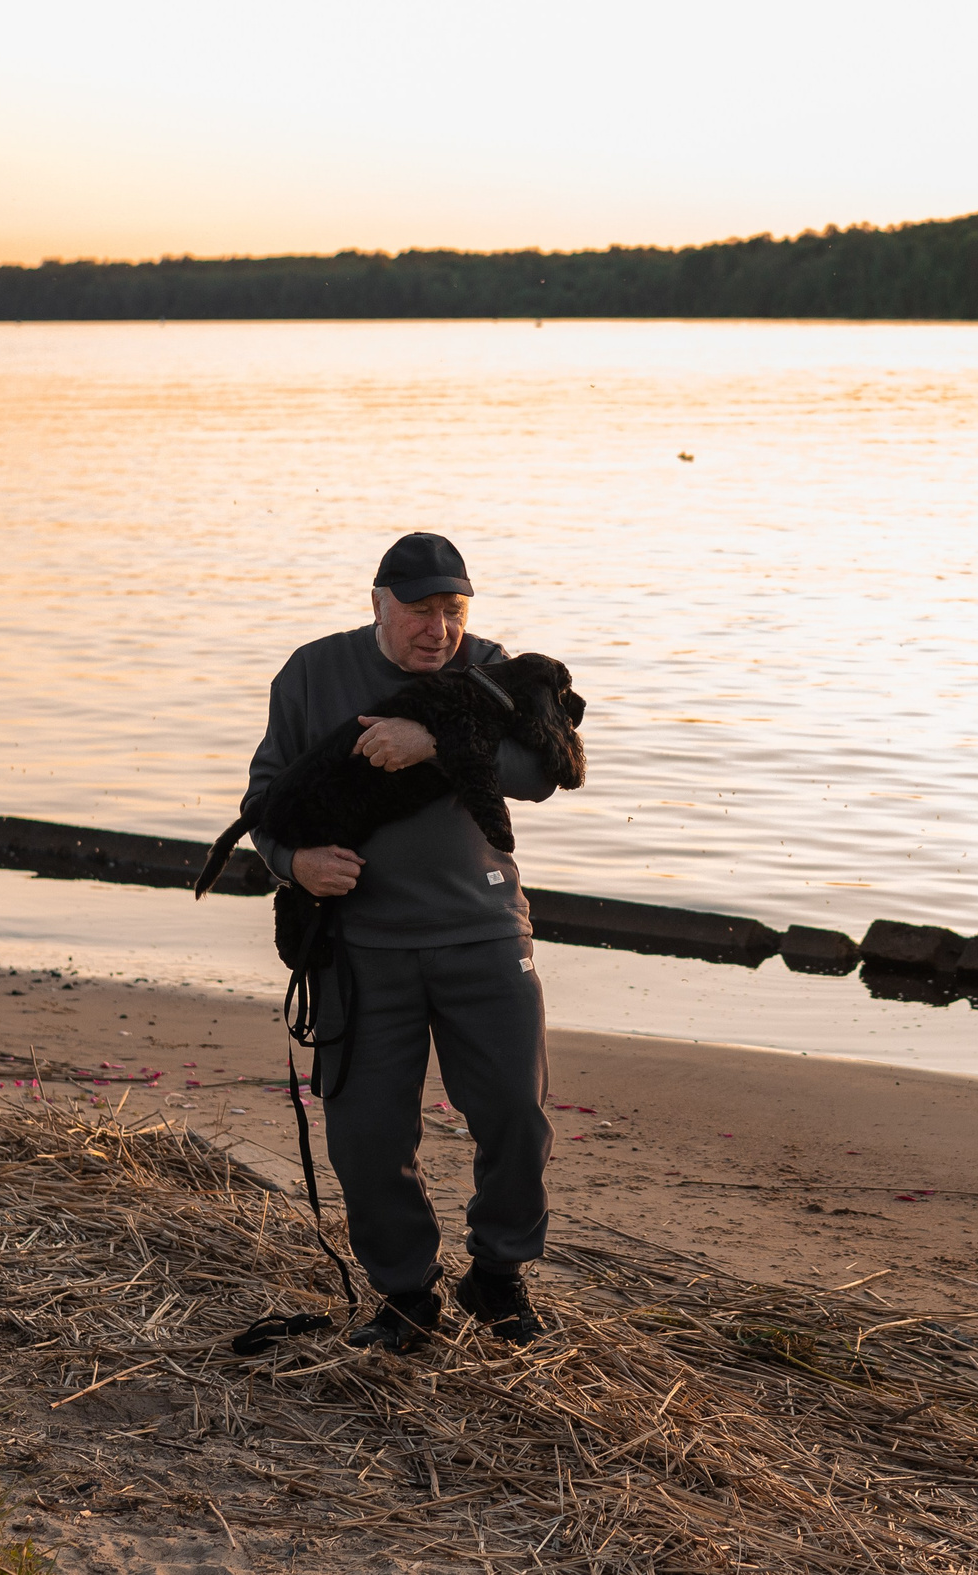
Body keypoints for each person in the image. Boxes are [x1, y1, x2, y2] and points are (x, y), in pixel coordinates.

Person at [245, 532, 562, 1351]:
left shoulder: (490, 666)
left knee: (515, 1120)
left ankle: (498, 1275)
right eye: (420, 609)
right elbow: (265, 800)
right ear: (377, 603)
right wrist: (296, 862)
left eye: (453, 609)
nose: (438, 628)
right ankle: (406, 1296)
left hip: (484, 932)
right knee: (367, 1138)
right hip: (360, 947)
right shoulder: (313, 672)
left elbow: (542, 769)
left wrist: (440, 739)